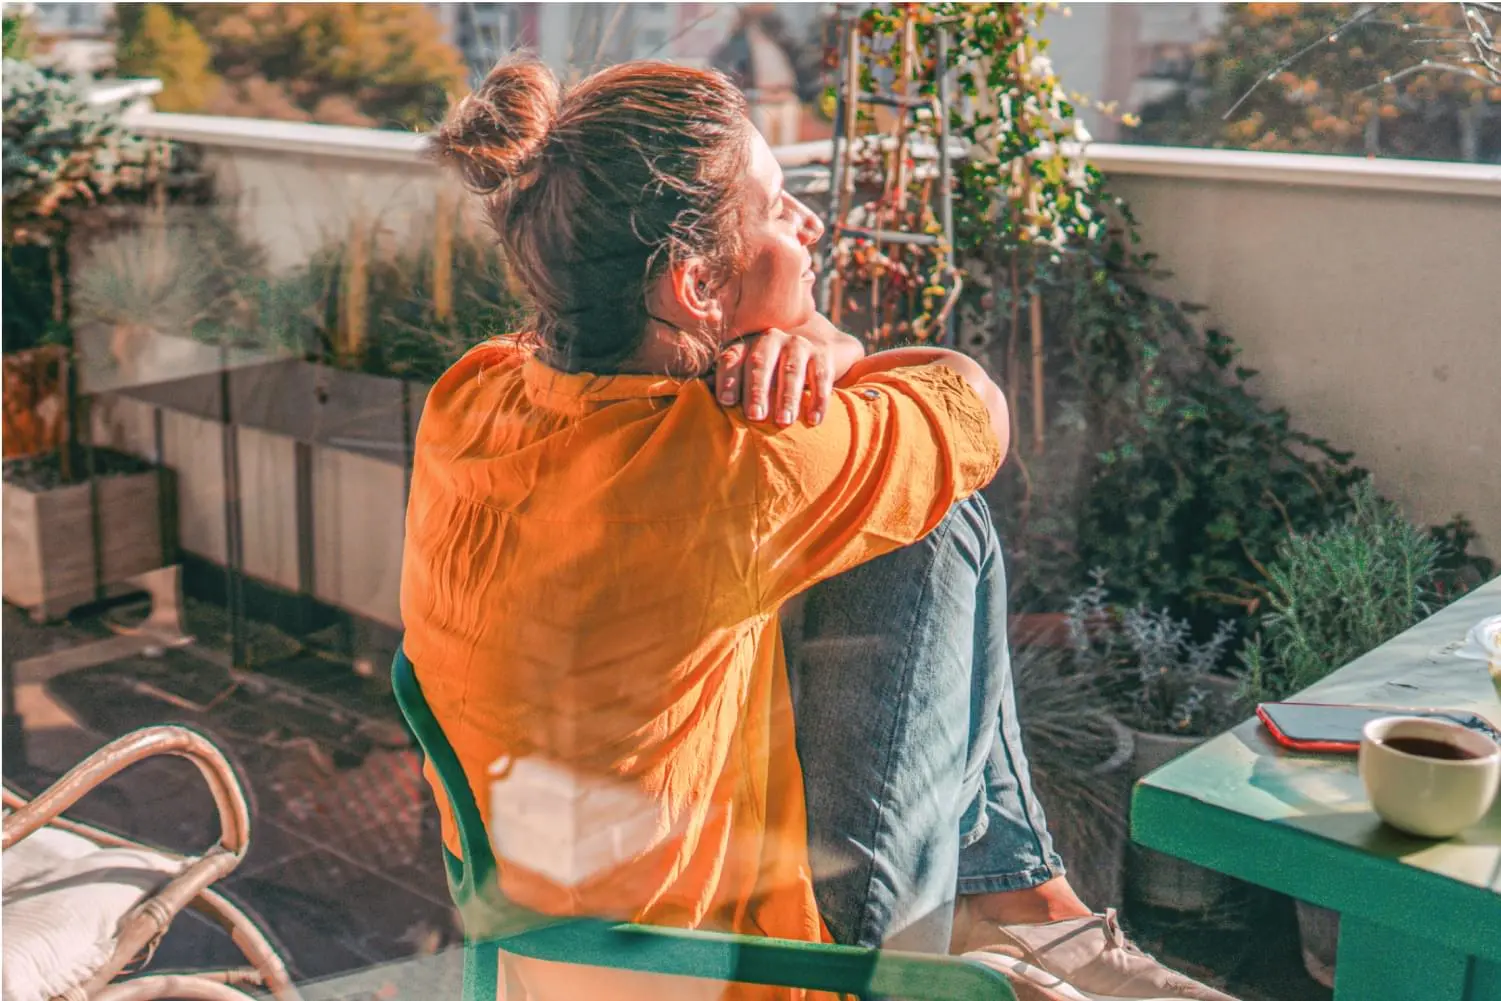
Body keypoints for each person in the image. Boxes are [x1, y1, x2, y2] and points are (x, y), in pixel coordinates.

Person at [403, 53, 1237, 1001]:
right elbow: (975, 404)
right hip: (742, 969)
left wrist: (810, 341)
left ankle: (1027, 905)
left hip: (552, 958)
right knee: (936, 520)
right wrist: (817, 345)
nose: (808, 224)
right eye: (776, 207)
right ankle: (1022, 905)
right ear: (695, 285)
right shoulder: (739, 464)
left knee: (880, 510)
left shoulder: (473, 393)